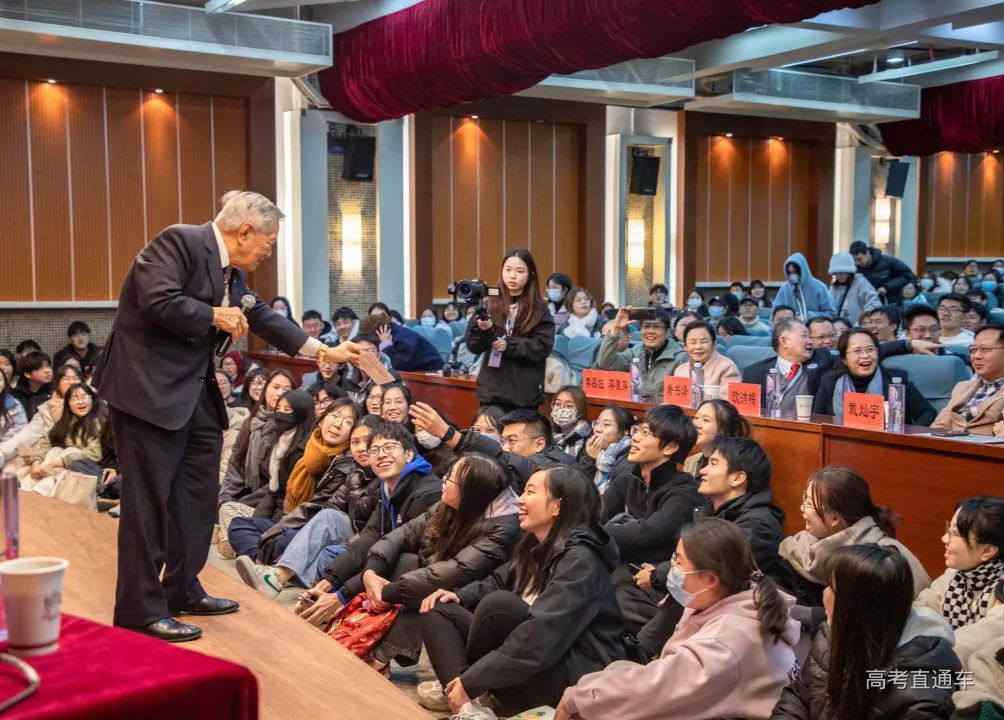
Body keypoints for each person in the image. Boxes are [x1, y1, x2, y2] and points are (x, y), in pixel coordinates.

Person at [93, 190, 364, 642]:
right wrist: (213, 315)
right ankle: (139, 609)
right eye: (268, 242)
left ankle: (181, 586)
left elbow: (262, 317)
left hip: (194, 395)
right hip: (149, 394)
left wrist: (322, 350)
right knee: (148, 503)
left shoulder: (230, 274)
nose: (268, 252)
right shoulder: (179, 242)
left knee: (198, 497)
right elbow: (157, 298)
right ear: (245, 231)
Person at [418, 467, 624, 719]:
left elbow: (541, 636)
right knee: (438, 606)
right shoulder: (536, 543)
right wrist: (460, 596)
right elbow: (497, 580)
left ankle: (467, 691)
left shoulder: (581, 560)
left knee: (500, 607)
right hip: (533, 659)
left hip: (572, 674)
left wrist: (473, 680)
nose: (520, 500)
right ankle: (464, 702)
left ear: (557, 506)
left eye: (530, 491)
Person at [559, 518, 798, 720]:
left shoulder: (726, 640)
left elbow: (657, 687)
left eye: (678, 561)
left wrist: (578, 697)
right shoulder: (731, 598)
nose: (672, 568)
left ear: (710, 579)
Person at [341, 455, 520, 671]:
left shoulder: (504, 528)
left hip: (470, 600)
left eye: (451, 478)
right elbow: (403, 534)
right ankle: (364, 640)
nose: (443, 480)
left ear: (470, 492)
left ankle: (381, 656)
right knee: (406, 561)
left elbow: (450, 574)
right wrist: (371, 572)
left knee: (430, 591)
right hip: (436, 579)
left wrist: (383, 594)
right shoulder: (449, 505)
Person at [770, 544, 960, 720]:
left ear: (862, 607)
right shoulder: (832, 634)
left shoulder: (923, 694)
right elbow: (800, 695)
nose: (824, 594)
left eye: (833, 589)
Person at [289, 422, 442, 625]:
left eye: (389, 447)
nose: (381, 455)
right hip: (389, 560)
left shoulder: (427, 492)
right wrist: (326, 584)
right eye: (375, 450)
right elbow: (369, 537)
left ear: (408, 455)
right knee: (348, 555)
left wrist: (341, 596)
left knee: (403, 560)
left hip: (427, 574)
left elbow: (400, 550)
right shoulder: (387, 488)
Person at [235, 414, 382, 595]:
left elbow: (373, 531)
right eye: (355, 442)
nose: (361, 448)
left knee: (317, 543)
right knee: (237, 520)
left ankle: (275, 575)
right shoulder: (356, 474)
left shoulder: (382, 476)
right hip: (311, 525)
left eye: (367, 441)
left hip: (360, 544)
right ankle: (273, 570)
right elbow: (331, 505)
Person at [603, 405, 700, 633]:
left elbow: (648, 534)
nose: (635, 437)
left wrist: (598, 531)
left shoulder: (683, 491)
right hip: (620, 566)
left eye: (646, 433)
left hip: (653, 579)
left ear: (670, 447)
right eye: (637, 430)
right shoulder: (629, 477)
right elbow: (596, 514)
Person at [227, 399, 361, 563]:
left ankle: (260, 557)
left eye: (347, 422)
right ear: (322, 419)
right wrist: (269, 528)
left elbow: (313, 509)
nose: (338, 424)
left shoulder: (345, 465)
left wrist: (271, 533)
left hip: (307, 530)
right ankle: (262, 560)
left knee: (282, 541)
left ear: (353, 432)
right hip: (284, 519)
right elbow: (278, 491)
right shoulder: (305, 447)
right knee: (238, 524)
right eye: (335, 416)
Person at [777, 465, 930, 607]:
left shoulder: (876, 562)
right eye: (805, 498)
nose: (802, 508)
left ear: (834, 518)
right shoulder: (807, 544)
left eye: (809, 503)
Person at [914, 496, 1003, 668]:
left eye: (954, 534)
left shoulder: (1000, 589)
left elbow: (973, 642)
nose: (944, 539)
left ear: (987, 550)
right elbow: (919, 614)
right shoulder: (954, 576)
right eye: (948, 529)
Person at [466, 249, 555, 411]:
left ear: (530, 274)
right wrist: (480, 330)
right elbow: (473, 346)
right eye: (508, 270)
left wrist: (509, 345)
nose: (512, 276)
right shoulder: (489, 304)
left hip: (523, 394)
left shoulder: (540, 309)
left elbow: (542, 347)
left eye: (519, 271)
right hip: (491, 391)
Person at [418, 406, 574, 493]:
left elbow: (516, 463)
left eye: (512, 440)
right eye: (503, 440)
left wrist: (451, 435)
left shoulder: (556, 464)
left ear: (539, 444)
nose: (505, 447)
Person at [813, 327, 935, 425]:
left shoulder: (896, 381)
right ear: (844, 359)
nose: (865, 356)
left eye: (870, 350)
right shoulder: (830, 382)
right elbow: (816, 419)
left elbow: (928, 413)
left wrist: (905, 436)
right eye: (857, 351)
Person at [25, 383, 117, 502]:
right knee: (55, 450)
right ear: (68, 403)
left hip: (94, 470)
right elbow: (48, 442)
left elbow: (95, 454)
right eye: (74, 398)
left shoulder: (99, 421)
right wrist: (36, 462)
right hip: (66, 469)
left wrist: (59, 463)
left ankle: (37, 492)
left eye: (84, 396)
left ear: (92, 399)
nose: (80, 402)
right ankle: (29, 489)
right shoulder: (66, 422)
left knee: (70, 453)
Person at [597, 307, 687, 399]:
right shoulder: (634, 352)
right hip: (635, 406)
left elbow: (682, 397)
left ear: (667, 331)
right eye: (646, 326)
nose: (650, 331)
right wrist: (616, 328)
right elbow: (606, 363)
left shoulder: (679, 358)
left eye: (656, 326)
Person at [1, 364, 82, 464]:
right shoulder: (47, 408)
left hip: (83, 454)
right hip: (49, 454)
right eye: (67, 379)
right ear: (58, 384)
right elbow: (28, 435)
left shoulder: (91, 401)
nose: (72, 382)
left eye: (76, 378)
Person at [932, 325, 1004, 435]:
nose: (976, 356)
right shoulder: (962, 387)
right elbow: (939, 426)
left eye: (985, 350)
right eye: (973, 350)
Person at [681, 398, 751, 478]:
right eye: (696, 417)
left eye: (706, 420)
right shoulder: (690, 462)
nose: (696, 424)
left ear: (724, 429)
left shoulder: (733, 466)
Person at [577, 405, 635, 494]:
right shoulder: (591, 448)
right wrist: (590, 458)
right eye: (597, 423)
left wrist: (598, 459)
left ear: (625, 432)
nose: (598, 429)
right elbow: (579, 487)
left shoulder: (629, 458)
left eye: (606, 425)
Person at [360, 311, 443, 372]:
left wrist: (386, 347)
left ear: (379, 332)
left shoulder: (402, 339)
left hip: (434, 375)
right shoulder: (397, 333)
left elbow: (396, 366)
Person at [673, 321, 740, 391]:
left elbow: (727, 397)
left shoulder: (727, 367)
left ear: (714, 344)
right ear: (685, 346)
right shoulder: (680, 370)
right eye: (693, 342)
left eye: (703, 342)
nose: (698, 347)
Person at [773, 252, 836, 321]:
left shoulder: (819, 288)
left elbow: (830, 313)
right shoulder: (784, 289)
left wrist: (808, 316)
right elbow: (774, 313)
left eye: (795, 272)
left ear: (803, 271)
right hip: (791, 327)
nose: (793, 275)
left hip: (814, 326)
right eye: (790, 273)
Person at [849, 239, 916, 303]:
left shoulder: (888, 261)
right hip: (867, 305)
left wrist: (887, 287)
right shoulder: (854, 268)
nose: (857, 263)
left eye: (859, 259)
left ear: (867, 253)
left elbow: (907, 275)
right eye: (854, 260)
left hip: (891, 304)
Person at [826, 251, 880, 323]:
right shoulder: (834, 287)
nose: (838, 276)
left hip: (856, 327)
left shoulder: (861, 283)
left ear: (849, 272)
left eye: (841, 273)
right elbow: (829, 307)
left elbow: (875, 304)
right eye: (835, 274)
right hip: (838, 327)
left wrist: (862, 323)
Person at [549, 385, 592, 458]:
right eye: (558, 404)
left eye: (569, 406)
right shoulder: (546, 434)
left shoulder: (589, 440)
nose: (561, 409)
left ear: (580, 412)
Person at [10, 351, 52, 419]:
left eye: (48, 366)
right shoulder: (14, 395)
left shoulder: (54, 392)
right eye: (41, 368)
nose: (47, 371)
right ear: (27, 374)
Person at [0, 370, 28, 448]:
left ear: (5, 384)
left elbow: (19, 433)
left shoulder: (13, 405)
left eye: (0, 380)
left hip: (6, 448)